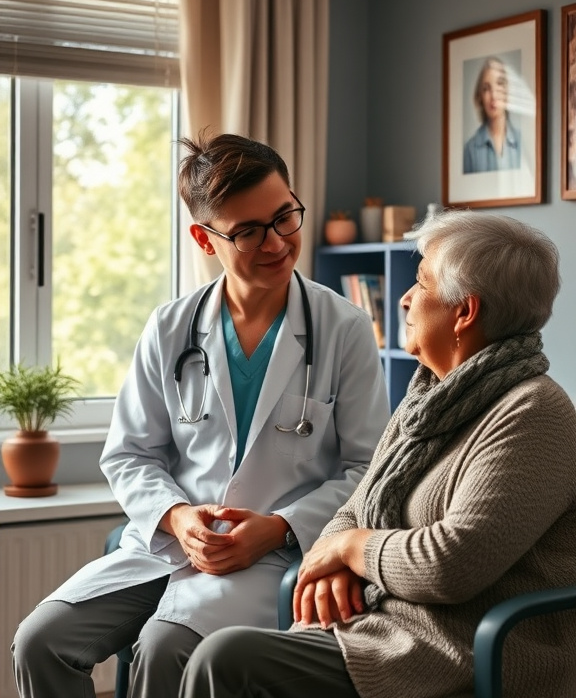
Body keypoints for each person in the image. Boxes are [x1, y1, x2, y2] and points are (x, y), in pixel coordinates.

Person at [11, 132, 390, 698]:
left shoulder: (345, 329)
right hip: (166, 547)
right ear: (204, 237)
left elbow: (369, 470)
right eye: (248, 231)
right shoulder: (170, 328)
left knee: (167, 649)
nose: (277, 242)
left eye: (285, 216)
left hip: (269, 558)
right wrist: (177, 517)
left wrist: (280, 527)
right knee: (39, 640)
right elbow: (130, 452)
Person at [179, 209, 576, 698]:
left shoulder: (534, 413)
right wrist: (338, 557)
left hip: (460, 651)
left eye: (421, 284)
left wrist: (348, 550)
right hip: (379, 627)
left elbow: (452, 564)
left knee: (226, 660)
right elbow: (354, 508)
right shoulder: (430, 398)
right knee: (223, 655)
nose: (405, 299)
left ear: (465, 312)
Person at [463, 56, 521, 173]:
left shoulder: (522, 142)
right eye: (486, 88)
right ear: (480, 97)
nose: (493, 96)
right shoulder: (470, 149)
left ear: (507, 90)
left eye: (499, 84)